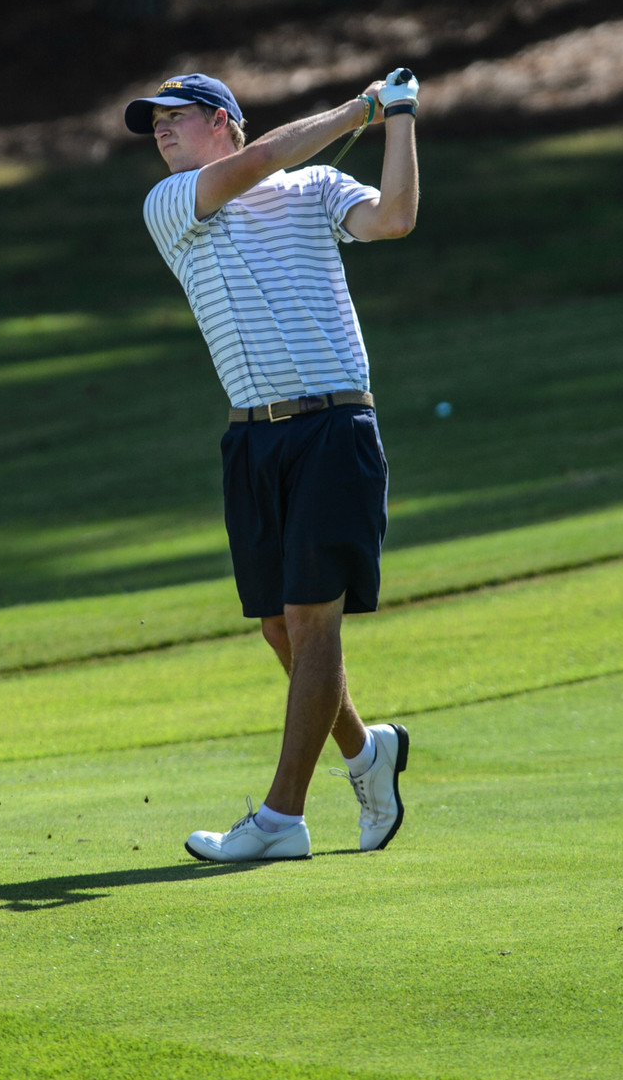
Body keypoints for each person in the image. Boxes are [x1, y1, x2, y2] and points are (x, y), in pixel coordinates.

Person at [127, 69, 422, 862]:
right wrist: (358, 107)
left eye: (173, 117)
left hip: (333, 423)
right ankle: (368, 752)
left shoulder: (317, 186)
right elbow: (256, 163)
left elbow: (394, 218)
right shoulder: (171, 203)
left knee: (312, 615)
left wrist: (398, 118)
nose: (158, 131)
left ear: (220, 118)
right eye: (151, 123)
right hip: (251, 439)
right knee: (277, 624)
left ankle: (281, 818)